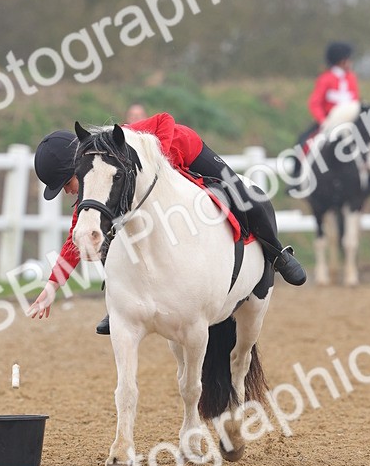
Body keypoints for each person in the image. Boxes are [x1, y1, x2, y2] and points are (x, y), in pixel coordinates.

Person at [28, 112, 306, 334]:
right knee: (106, 232)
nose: (67, 192)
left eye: (66, 183)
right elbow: (74, 237)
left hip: (187, 151)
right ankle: (120, 301)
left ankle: (277, 253)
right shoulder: (97, 180)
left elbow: (165, 119)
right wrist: (52, 285)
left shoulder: (127, 139)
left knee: (243, 195)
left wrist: (158, 160)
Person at [301, 43, 370, 193]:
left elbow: (355, 100)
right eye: (348, 59)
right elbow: (315, 103)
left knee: (366, 145)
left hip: (350, 124)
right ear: (341, 60)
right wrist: (323, 121)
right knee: (303, 143)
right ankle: (298, 177)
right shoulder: (325, 79)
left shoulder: (351, 78)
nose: (350, 62)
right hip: (328, 122)